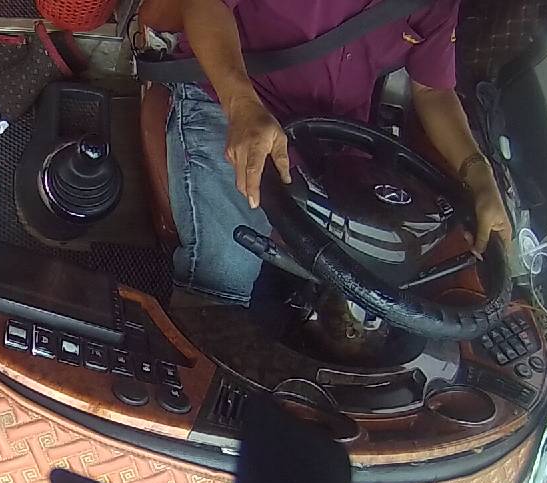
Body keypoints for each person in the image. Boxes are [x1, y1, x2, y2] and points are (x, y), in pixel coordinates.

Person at [166, 0, 512, 305]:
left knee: (378, 284)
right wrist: (241, 104)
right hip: (232, 99)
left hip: (332, 138)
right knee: (227, 268)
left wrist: (480, 176)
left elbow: (433, 92)